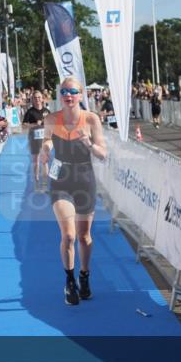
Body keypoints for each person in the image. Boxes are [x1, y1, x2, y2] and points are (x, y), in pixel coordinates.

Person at [39, 77, 107, 306]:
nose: (68, 95)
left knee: (84, 236)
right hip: (60, 178)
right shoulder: (51, 118)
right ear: (60, 95)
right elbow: (47, 140)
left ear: (80, 95)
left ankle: (84, 275)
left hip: (85, 179)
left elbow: (103, 154)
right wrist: (45, 149)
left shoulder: (91, 119)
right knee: (68, 235)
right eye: (64, 92)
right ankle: (69, 281)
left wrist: (88, 143)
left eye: (73, 91)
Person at [22, 90, 51, 191]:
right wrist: (34, 124)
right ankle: (36, 182)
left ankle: (45, 184)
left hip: (45, 139)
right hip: (34, 139)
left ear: (42, 99)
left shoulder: (47, 111)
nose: (37, 99)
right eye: (35, 98)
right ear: (32, 100)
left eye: (39, 97)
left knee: (45, 161)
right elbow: (24, 125)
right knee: (36, 161)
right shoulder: (30, 112)